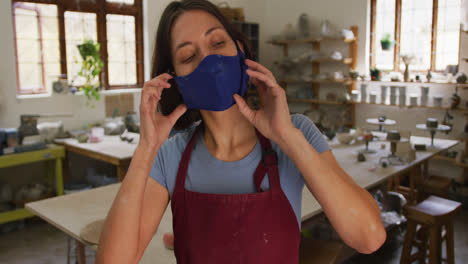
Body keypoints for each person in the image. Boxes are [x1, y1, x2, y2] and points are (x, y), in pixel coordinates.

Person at [96, 0, 386, 263]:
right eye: (188, 57)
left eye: (218, 42)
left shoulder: (296, 133)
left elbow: (369, 238)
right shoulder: (170, 155)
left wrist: (286, 137)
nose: (209, 62)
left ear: (241, 51)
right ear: (175, 81)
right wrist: (146, 148)